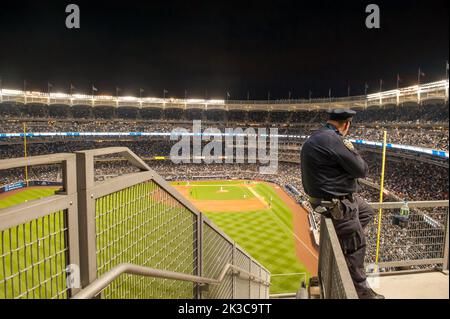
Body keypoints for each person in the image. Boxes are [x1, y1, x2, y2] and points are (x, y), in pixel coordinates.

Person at [300, 108, 384, 299]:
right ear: (346, 124)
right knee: (356, 246)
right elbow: (362, 169)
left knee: (367, 212)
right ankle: (363, 293)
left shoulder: (317, 136)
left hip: (326, 199)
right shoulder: (334, 139)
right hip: (337, 204)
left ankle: (343, 242)